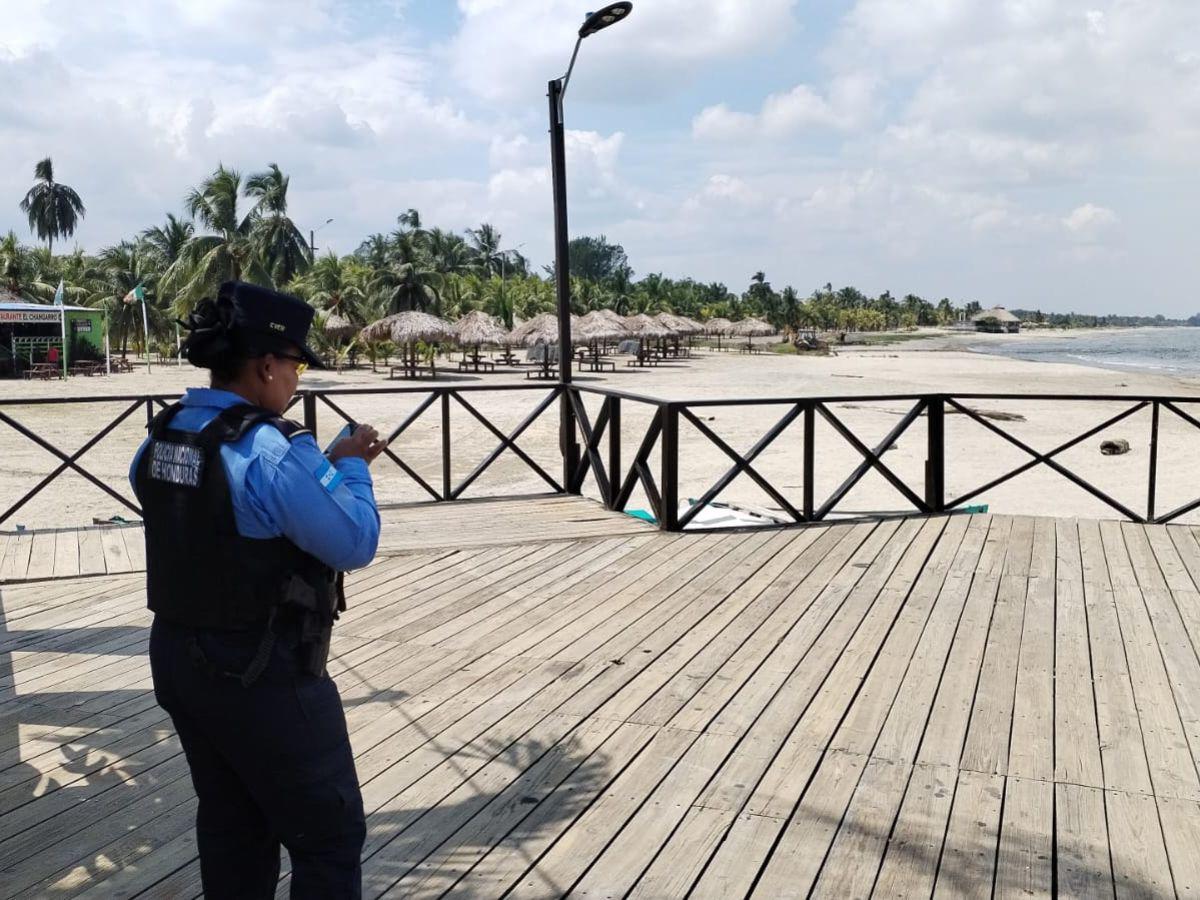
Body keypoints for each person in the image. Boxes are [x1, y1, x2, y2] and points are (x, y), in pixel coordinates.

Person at [129, 281, 385, 898]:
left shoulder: (162, 435)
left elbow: (199, 507)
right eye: (295, 364)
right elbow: (354, 540)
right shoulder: (271, 448)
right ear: (266, 365)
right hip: (261, 671)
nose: (296, 378)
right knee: (328, 838)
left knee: (232, 826)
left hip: (179, 658)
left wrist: (313, 475)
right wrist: (348, 465)